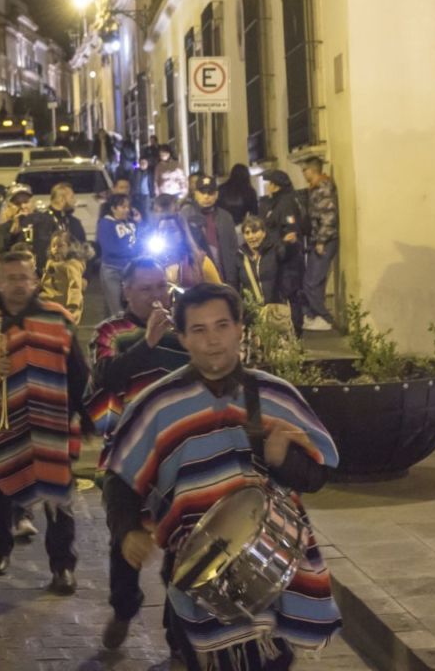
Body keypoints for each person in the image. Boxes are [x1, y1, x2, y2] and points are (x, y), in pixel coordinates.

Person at [103, 283, 340, 670]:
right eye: (198, 330)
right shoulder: (158, 404)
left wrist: (283, 459)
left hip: (274, 564)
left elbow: (316, 475)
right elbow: (120, 476)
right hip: (196, 569)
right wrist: (128, 528)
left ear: (239, 329)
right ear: (181, 337)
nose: (213, 340)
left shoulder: (274, 394)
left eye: (222, 326)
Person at [0, 251, 88, 592]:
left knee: (58, 499)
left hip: (51, 425)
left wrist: (80, 416)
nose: (18, 285)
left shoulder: (57, 318)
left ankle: (63, 566)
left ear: (35, 281)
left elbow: (78, 372)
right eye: (10, 278)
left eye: (24, 278)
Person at [84, 258, 190, 650]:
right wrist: (147, 343)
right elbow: (106, 377)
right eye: (145, 288)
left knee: (184, 550)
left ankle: (178, 637)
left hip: (179, 455)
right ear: (126, 290)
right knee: (125, 545)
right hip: (128, 455)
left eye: (161, 286)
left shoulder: (185, 331)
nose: (156, 295)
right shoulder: (110, 331)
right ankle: (124, 608)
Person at [262, 170, 305, 336]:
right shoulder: (275, 202)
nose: (267, 187)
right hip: (279, 257)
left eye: (269, 183)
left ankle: (295, 332)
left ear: (275, 186)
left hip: (288, 260)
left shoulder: (286, 203)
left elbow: (290, 233)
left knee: (290, 296)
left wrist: (280, 250)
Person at [142, 195, 217, 289]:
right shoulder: (149, 263)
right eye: (162, 231)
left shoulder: (201, 262)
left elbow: (218, 292)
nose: (166, 235)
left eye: (171, 230)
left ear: (182, 233)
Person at [301, 157, 339, 331]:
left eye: (304, 170)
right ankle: (315, 315)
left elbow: (328, 215)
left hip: (324, 240)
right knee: (313, 279)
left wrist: (322, 240)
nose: (303, 173)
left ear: (312, 170)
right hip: (318, 239)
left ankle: (324, 317)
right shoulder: (315, 188)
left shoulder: (323, 187)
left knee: (313, 280)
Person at [182, 177, 239, 290]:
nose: (206, 196)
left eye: (210, 192)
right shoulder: (185, 216)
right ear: (195, 194)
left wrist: (232, 280)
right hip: (198, 280)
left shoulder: (225, 217)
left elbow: (233, 250)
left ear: (216, 194)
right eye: (202, 192)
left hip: (224, 279)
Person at [97, 193, 138, 318]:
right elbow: (109, 248)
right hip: (112, 269)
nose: (126, 210)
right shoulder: (106, 223)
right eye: (122, 207)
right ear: (113, 208)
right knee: (117, 309)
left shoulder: (131, 223)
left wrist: (140, 223)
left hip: (130, 269)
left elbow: (140, 240)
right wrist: (131, 252)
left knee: (133, 306)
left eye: (127, 207)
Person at [30, 183, 88, 269]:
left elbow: (81, 244)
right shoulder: (44, 221)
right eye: (71, 197)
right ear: (62, 199)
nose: (75, 201)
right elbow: (42, 253)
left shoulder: (71, 221)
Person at [39, 231, 87, 325]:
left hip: (65, 305)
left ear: (69, 247)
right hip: (49, 302)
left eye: (60, 246)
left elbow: (75, 286)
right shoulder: (50, 263)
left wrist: (72, 306)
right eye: (53, 246)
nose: (56, 248)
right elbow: (45, 281)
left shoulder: (71, 265)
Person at [0, 183, 39, 254]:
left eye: (26, 202)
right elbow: (1, 253)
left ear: (32, 203)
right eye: (17, 203)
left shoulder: (42, 222)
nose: (22, 206)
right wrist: (12, 234)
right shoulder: (3, 229)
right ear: (9, 206)